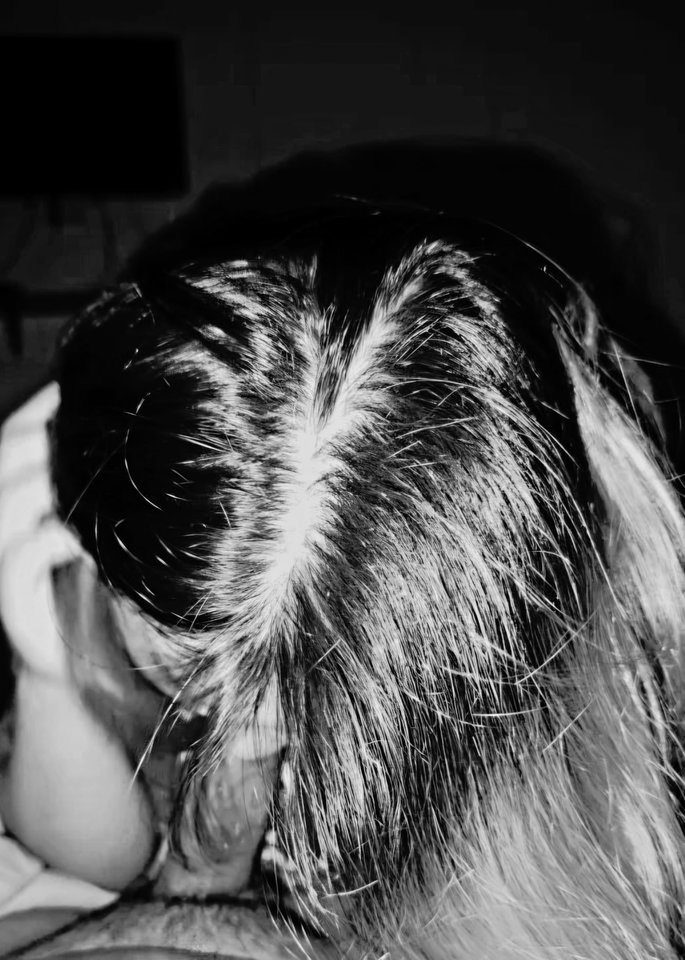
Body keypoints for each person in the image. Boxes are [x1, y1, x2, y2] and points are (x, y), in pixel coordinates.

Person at [2, 200, 685, 960]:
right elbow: (93, 858)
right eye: (186, 673)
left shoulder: (550, 806)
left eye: (298, 691)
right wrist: (46, 668)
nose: (238, 726)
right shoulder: (154, 558)